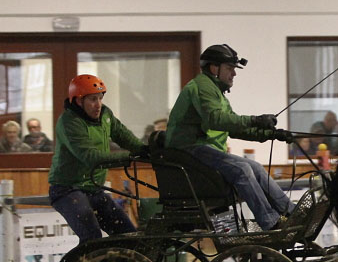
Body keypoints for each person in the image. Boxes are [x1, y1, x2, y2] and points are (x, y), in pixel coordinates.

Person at [165, 44, 295, 231]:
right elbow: (216, 120)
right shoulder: (203, 87)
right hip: (188, 149)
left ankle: (291, 213)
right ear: (213, 68)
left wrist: (271, 135)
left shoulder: (217, 93)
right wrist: (255, 120)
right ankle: (270, 221)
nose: (234, 73)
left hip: (203, 149)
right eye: (230, 68)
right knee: (242, 169)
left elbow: (233, 127)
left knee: (255, 168)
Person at [48, 75, 146, 244]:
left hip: (94, 189)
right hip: (67, 189)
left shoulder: (105, 115)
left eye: (100, 98)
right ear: (79, 101)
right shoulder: (69, 122)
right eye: (93, 99)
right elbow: (90, 157)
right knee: (92, 238)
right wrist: (129, 157)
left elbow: (123, 136)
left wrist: (145, 150)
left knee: (129, 236)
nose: (98, 104)